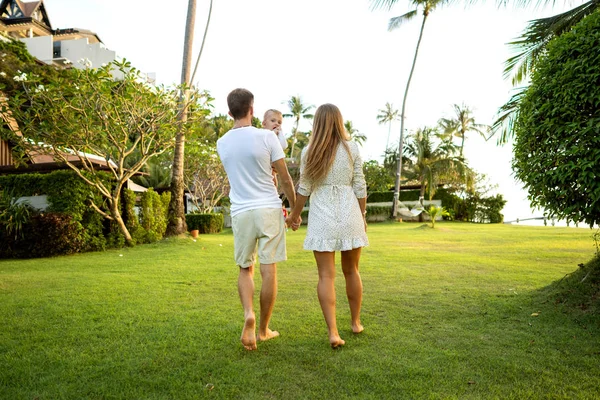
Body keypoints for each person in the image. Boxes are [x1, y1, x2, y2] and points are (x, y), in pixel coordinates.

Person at [216, 88, 297, 351]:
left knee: (245, 268)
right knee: (268, 268)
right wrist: (295, 211)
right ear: (252, 109)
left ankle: (248, 313)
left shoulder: (222, 142)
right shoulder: (267, 137)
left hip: (241, 211)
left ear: (230, 113)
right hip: (269, 209)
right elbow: (284, 178)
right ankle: (262, 329)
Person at [286, 103, 368, 349]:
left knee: (325, 275)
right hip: (349, 213)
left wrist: (294, 216)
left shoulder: (309, 151)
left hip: (323, 216)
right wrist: (362, 215)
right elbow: (360, 186)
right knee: (352, 271)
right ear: (339, 122)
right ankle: (355, 322)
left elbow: (304, 189)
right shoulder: (352, 148)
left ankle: (333, 332)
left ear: (317, 123)